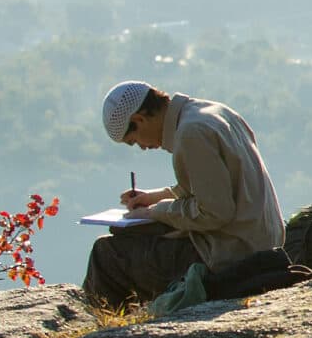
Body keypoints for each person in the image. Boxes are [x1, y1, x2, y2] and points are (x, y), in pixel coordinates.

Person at [87, 78, 287, 308]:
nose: (142, 147)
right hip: (258, 242)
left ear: (139, 120)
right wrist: (153, 198)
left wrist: (156, 212)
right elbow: (212, 185)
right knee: (138, 233)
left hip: (230, 257)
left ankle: (105, 336)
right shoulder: (213, 112)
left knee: (107, 253)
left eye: (134, 141)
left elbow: (214, 212)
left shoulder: (192, 134)